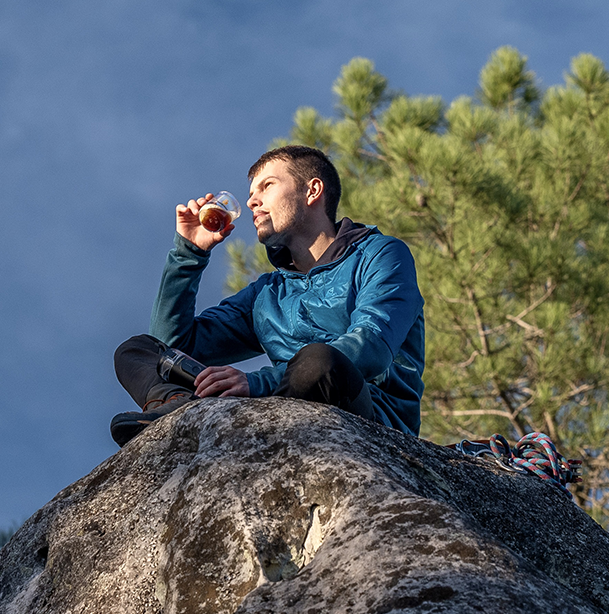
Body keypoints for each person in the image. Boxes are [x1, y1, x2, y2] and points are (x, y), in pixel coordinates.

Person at [110, 146, 425, 446]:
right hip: (283, 409)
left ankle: (224, 424)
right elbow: (174, 347)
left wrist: (257, 383)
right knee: (137, 351)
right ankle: (182, 412)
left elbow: (371, 347)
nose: (251, 203)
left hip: (369, 416)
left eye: (267, 186)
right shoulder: (266, 294)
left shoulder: (379, 253)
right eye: (250, 194)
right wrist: (189, 253)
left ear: (312, 191)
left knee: (319, 360)